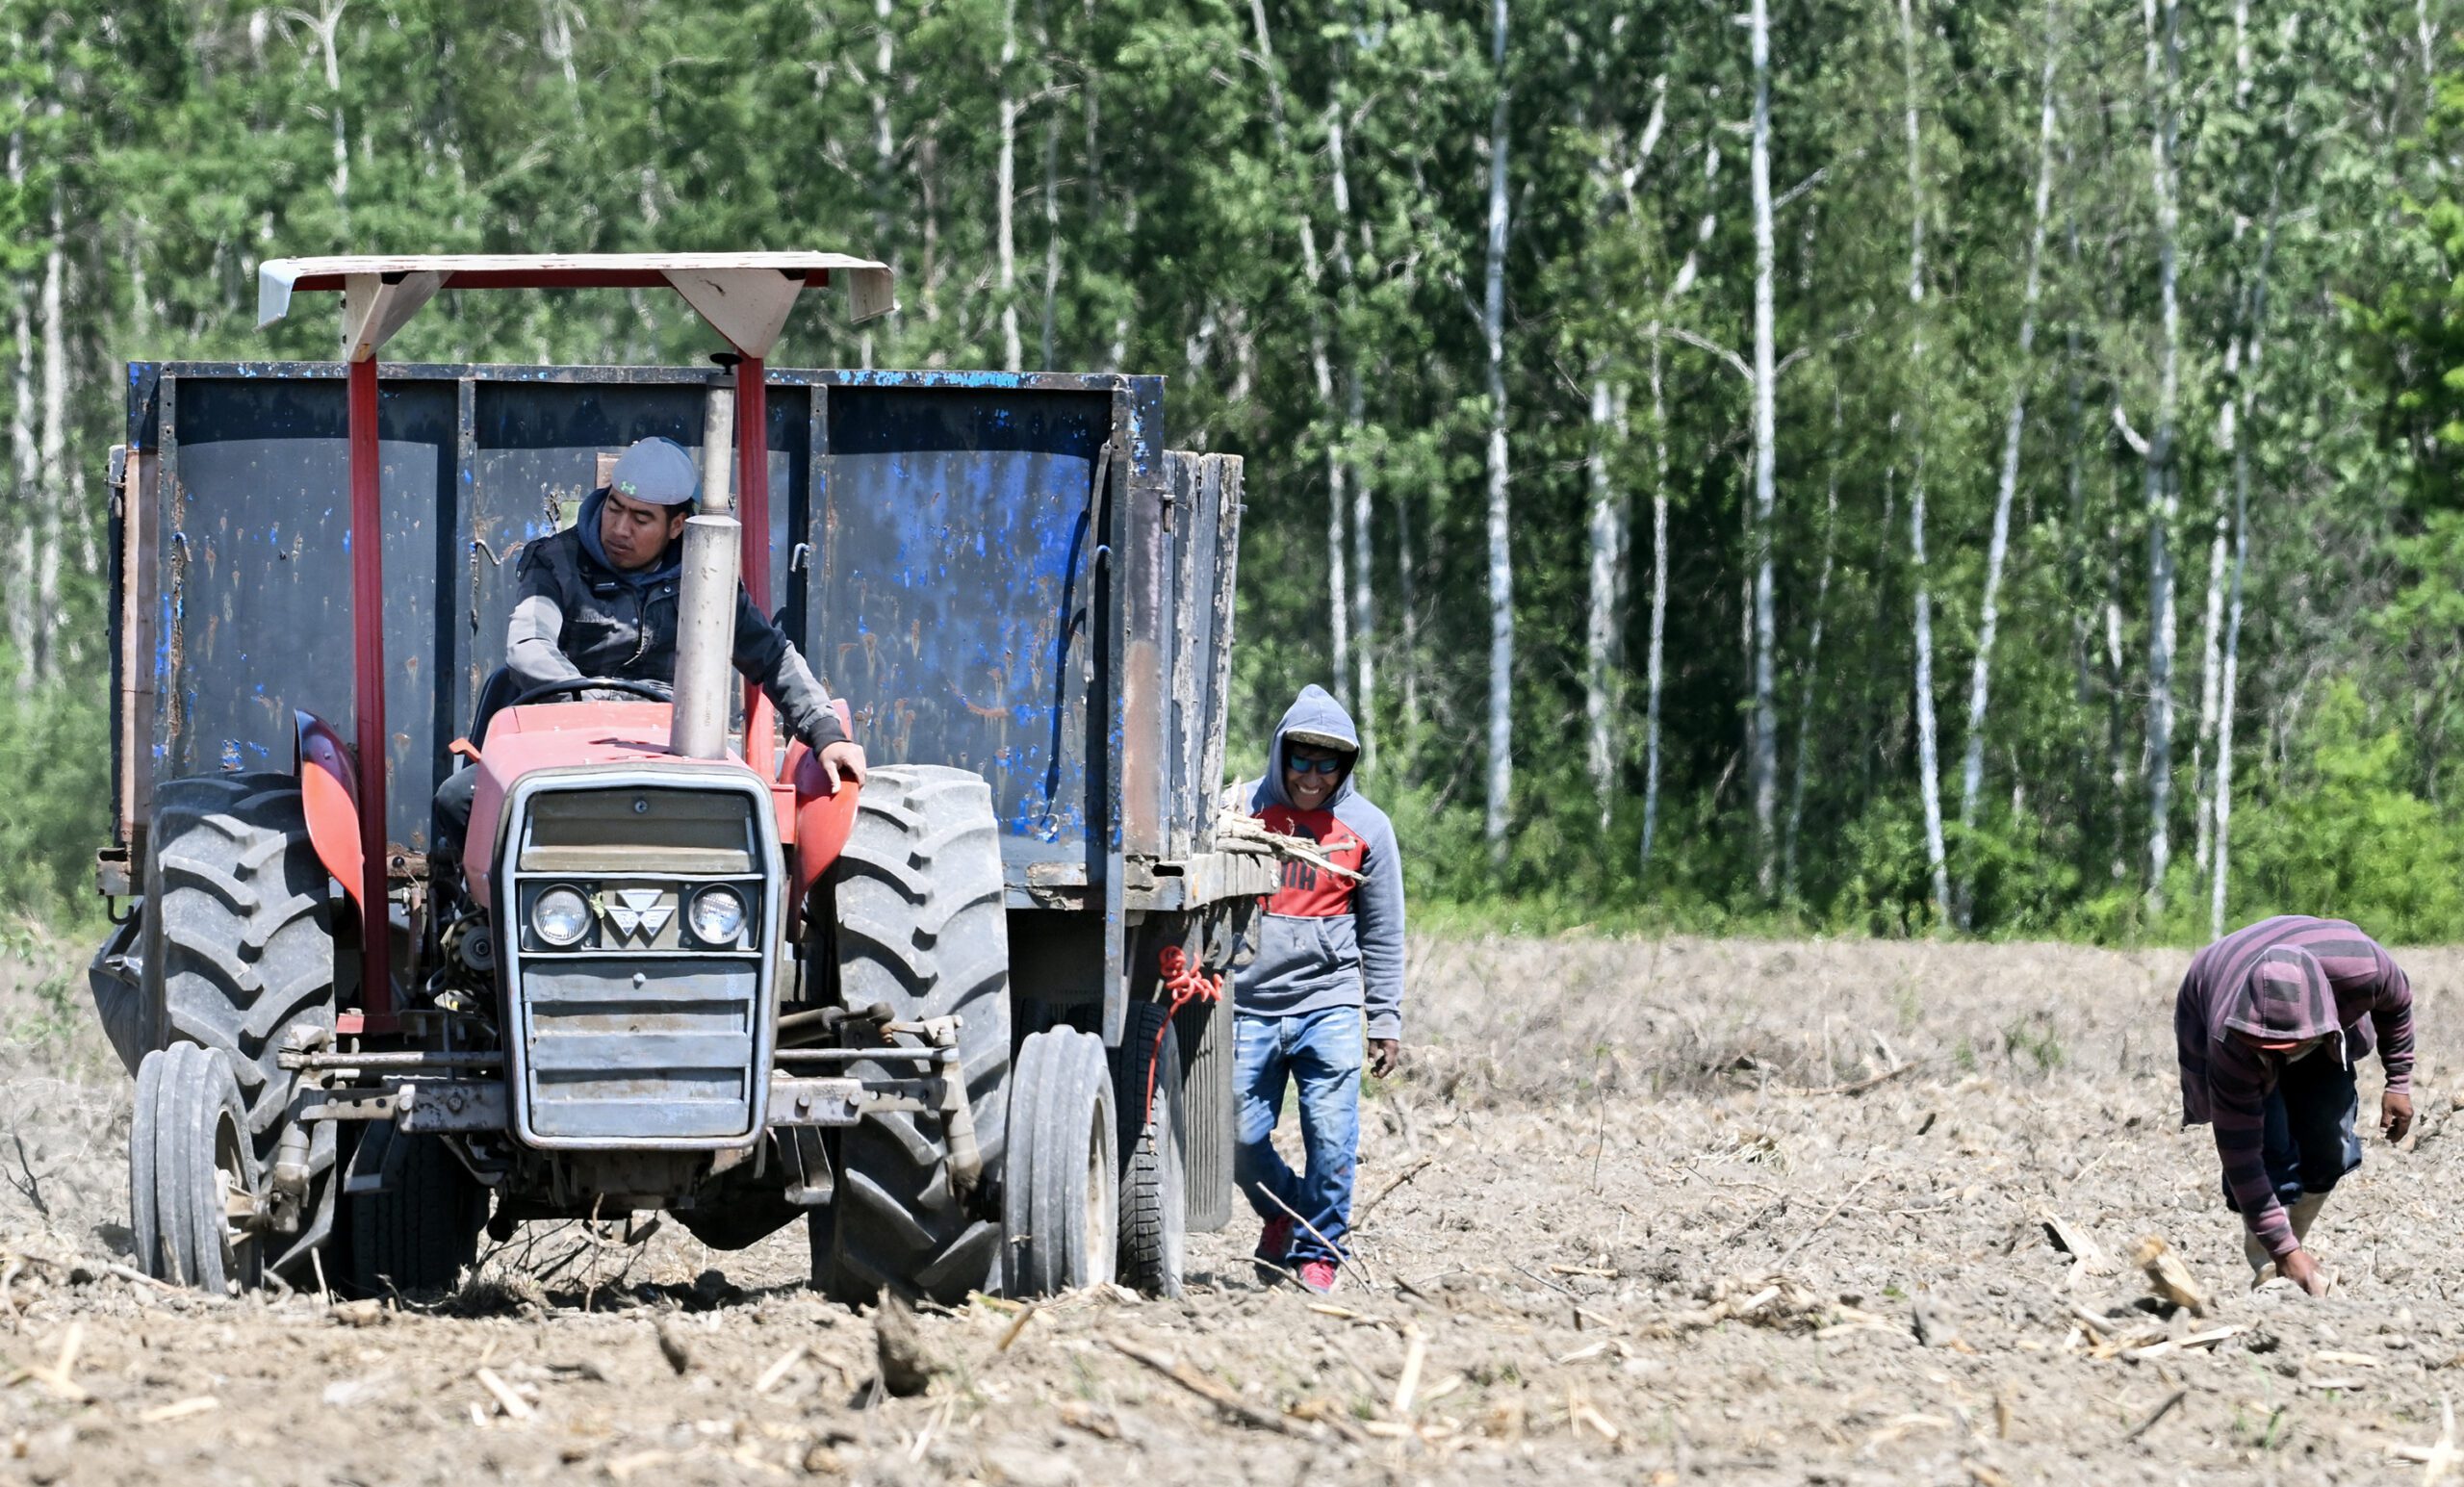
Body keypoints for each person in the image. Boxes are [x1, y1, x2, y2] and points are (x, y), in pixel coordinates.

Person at [431, 436, 866, 874]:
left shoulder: (706, 576)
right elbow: (529, 647)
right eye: (615, 508)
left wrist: (827, 734)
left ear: (677, 526)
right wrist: (591, 707)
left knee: (747, 827)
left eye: (641, 519)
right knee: (459, 799)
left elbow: (772, 657)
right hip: (562, 734)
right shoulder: (555, 561)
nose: (620, 529)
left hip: (668, 745)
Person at [1230, 684, 1404, 1295]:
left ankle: (1320, 1252)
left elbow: (1383, 931)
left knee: (1331, 1139)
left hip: (1327, 1004)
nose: (1311, 777)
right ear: (1281, 752)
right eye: (1300, 760)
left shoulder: (1368, 829)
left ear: (1345, 765)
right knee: (1237, 1136)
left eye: (1326, 765)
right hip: (1246, 1003)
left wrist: (1385, 1019)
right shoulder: (1236, 811)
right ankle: (1283, 1211)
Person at [2173, 914, 2416, 1295]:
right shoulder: (2229, 1040)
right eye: (2269, 1051)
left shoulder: (2361, 968)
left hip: (2318, 1023)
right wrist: (2282, 1251)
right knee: (2268, 1146)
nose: (2279, 1059)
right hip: (2223, 984)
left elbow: (2397, 1004)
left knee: (2328, 1141)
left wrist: (2398, 1080)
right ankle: (2271, 1265)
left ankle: (2291, 1249)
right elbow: (2241, 1153)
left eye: (2289, 1049)